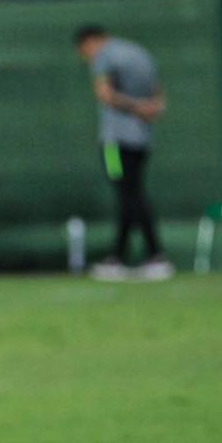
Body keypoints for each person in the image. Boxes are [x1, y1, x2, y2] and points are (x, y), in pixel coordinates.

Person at [75, 25, 171, 280]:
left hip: (115, 141)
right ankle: (121, 256)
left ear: (90, 41)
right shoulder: (140, 53)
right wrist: (148, 108)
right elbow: (159, 99)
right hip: (142, 139)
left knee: (129, 195)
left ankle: (153, 254)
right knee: (131, 193)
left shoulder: (105, 56)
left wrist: (136, 107)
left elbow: (104, 94)